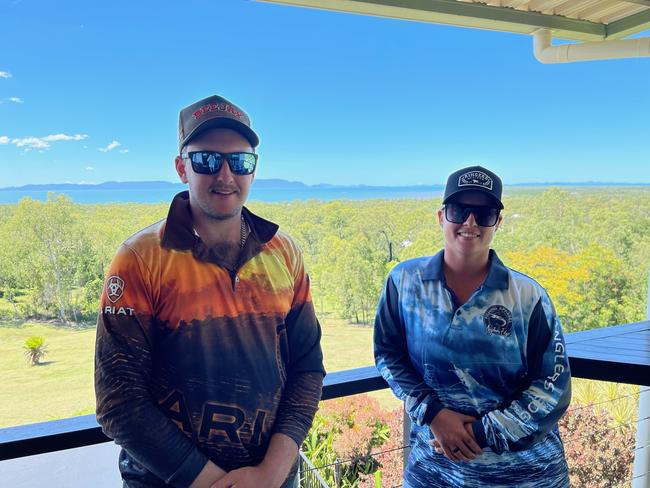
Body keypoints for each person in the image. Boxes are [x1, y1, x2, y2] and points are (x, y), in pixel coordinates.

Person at [95, 94, 325, 488]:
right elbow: (119, 401)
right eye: (205, 160)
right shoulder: (141, 259)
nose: (225, 175)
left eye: (240, 161)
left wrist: (271, 472)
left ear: (254, 170)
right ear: (181, 168)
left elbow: (307, 367)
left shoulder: (283, 253)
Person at [374, 166, 571, 487]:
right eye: (458, 211)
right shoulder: (404, 282)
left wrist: (480, 433)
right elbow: (388, 354)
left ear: (498, 222)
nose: (470, 222)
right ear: (441, 217)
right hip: (433, 473)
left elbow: (553, 385)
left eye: (484, 213)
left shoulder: (527, 296)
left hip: (527, 476)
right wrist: (434, 413)